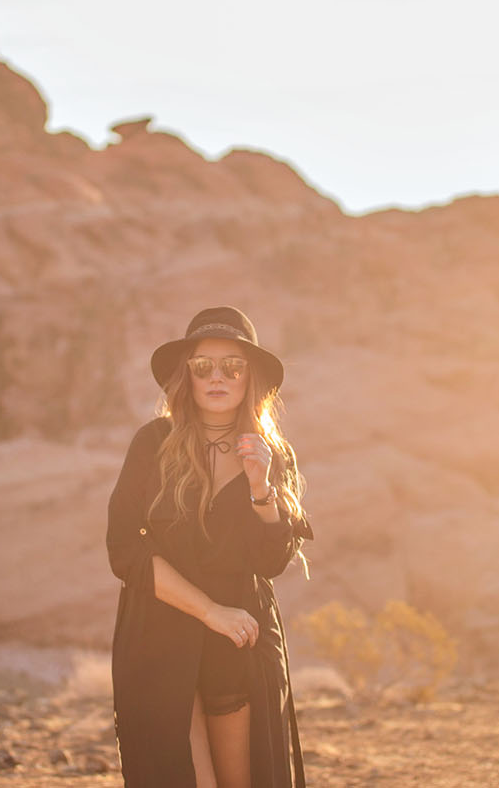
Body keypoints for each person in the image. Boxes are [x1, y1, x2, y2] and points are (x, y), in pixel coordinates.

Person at [107, 306, 314, 788]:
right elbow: (125, 549)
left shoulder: (269, 453)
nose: (217, 377)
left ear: (250, 377)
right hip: (159, 636)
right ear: (187, 376)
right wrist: (210, 612)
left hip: (240, 640)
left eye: (232, 366)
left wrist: (260, 486)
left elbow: (271, 562)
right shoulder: (153, 443)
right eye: (203, 366)